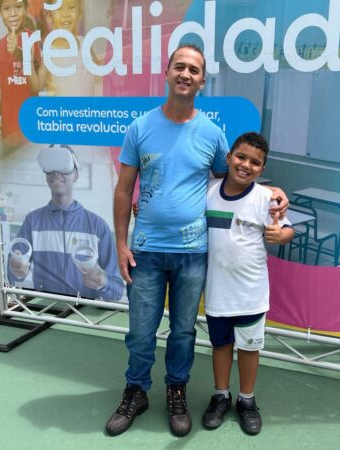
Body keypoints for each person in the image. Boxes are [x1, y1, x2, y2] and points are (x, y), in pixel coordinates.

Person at [106, 44, 288, 438]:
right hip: (146, 251)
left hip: (192, 254)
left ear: (202, 81)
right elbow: (123, 190)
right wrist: (121, 244)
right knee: (140, 331)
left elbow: (236, 181)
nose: (186, 74)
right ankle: (136, 391)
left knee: (184, 331)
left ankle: (177, 392)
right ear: (167, 73)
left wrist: (274, 192)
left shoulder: (211, 133)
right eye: (180, 66)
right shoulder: (140, 128)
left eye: (194, 69)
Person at [201, 132, 294, 435]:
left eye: (255, 162)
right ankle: (221, 396)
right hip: (217, 292)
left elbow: (287, 229)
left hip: (251, 293)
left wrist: (281, 235)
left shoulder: (267, 199)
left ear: (262, 169)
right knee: (220, 345)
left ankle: (246, 400)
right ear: (228, 158)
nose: (245, 165)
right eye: (240, 157)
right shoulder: (208, 191)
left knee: (249, 349)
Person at [8, 144, 124, 301]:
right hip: (43, 310)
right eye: (51, 168)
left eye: (63, 166)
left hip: (86, 313)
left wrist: (102, 282)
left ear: (76, 175)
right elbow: (12, 275)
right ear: (46, 176)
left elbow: (116, 293)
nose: (56, 173)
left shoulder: (98, 227)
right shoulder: (32, 221)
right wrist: (15, 269)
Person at [0, 0, 40, 146]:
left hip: (30, 124)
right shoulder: (0, 45)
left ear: (26, 8)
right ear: (0, 12)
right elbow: (2, 86)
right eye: (6, 8)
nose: (13, 13)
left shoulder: (33, 38)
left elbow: (38, 84)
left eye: (18, 7)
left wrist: (18, 53)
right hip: (8, 128)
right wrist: (1, 118)